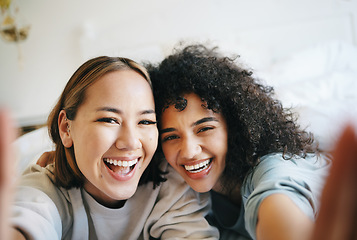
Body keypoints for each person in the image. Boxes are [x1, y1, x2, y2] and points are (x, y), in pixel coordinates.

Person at [0, 56, 219, 239]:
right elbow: (28, 218)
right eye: (109, 120)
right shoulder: (46, 189)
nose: (131, 142)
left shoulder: (170, 187)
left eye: (145, 122)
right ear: (67, 128)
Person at [147, 44, 349, 240]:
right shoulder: (187, 192)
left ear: (234, 126)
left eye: (205, 129)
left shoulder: (274, 168)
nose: (189, 151)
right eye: (171, 136)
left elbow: (280, 208)